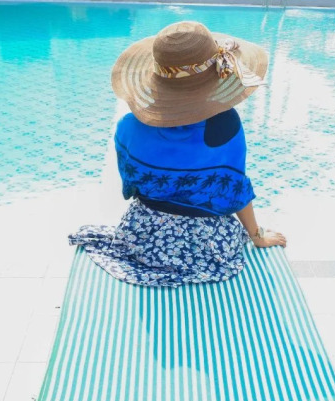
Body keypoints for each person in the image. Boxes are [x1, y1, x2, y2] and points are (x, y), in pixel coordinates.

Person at [70, 21, 286, 287]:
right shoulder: (225, 125)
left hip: (142, 239)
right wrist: (257, 235)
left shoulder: (128, 126)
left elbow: (130, 187)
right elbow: (234, 191)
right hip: (207, 248)